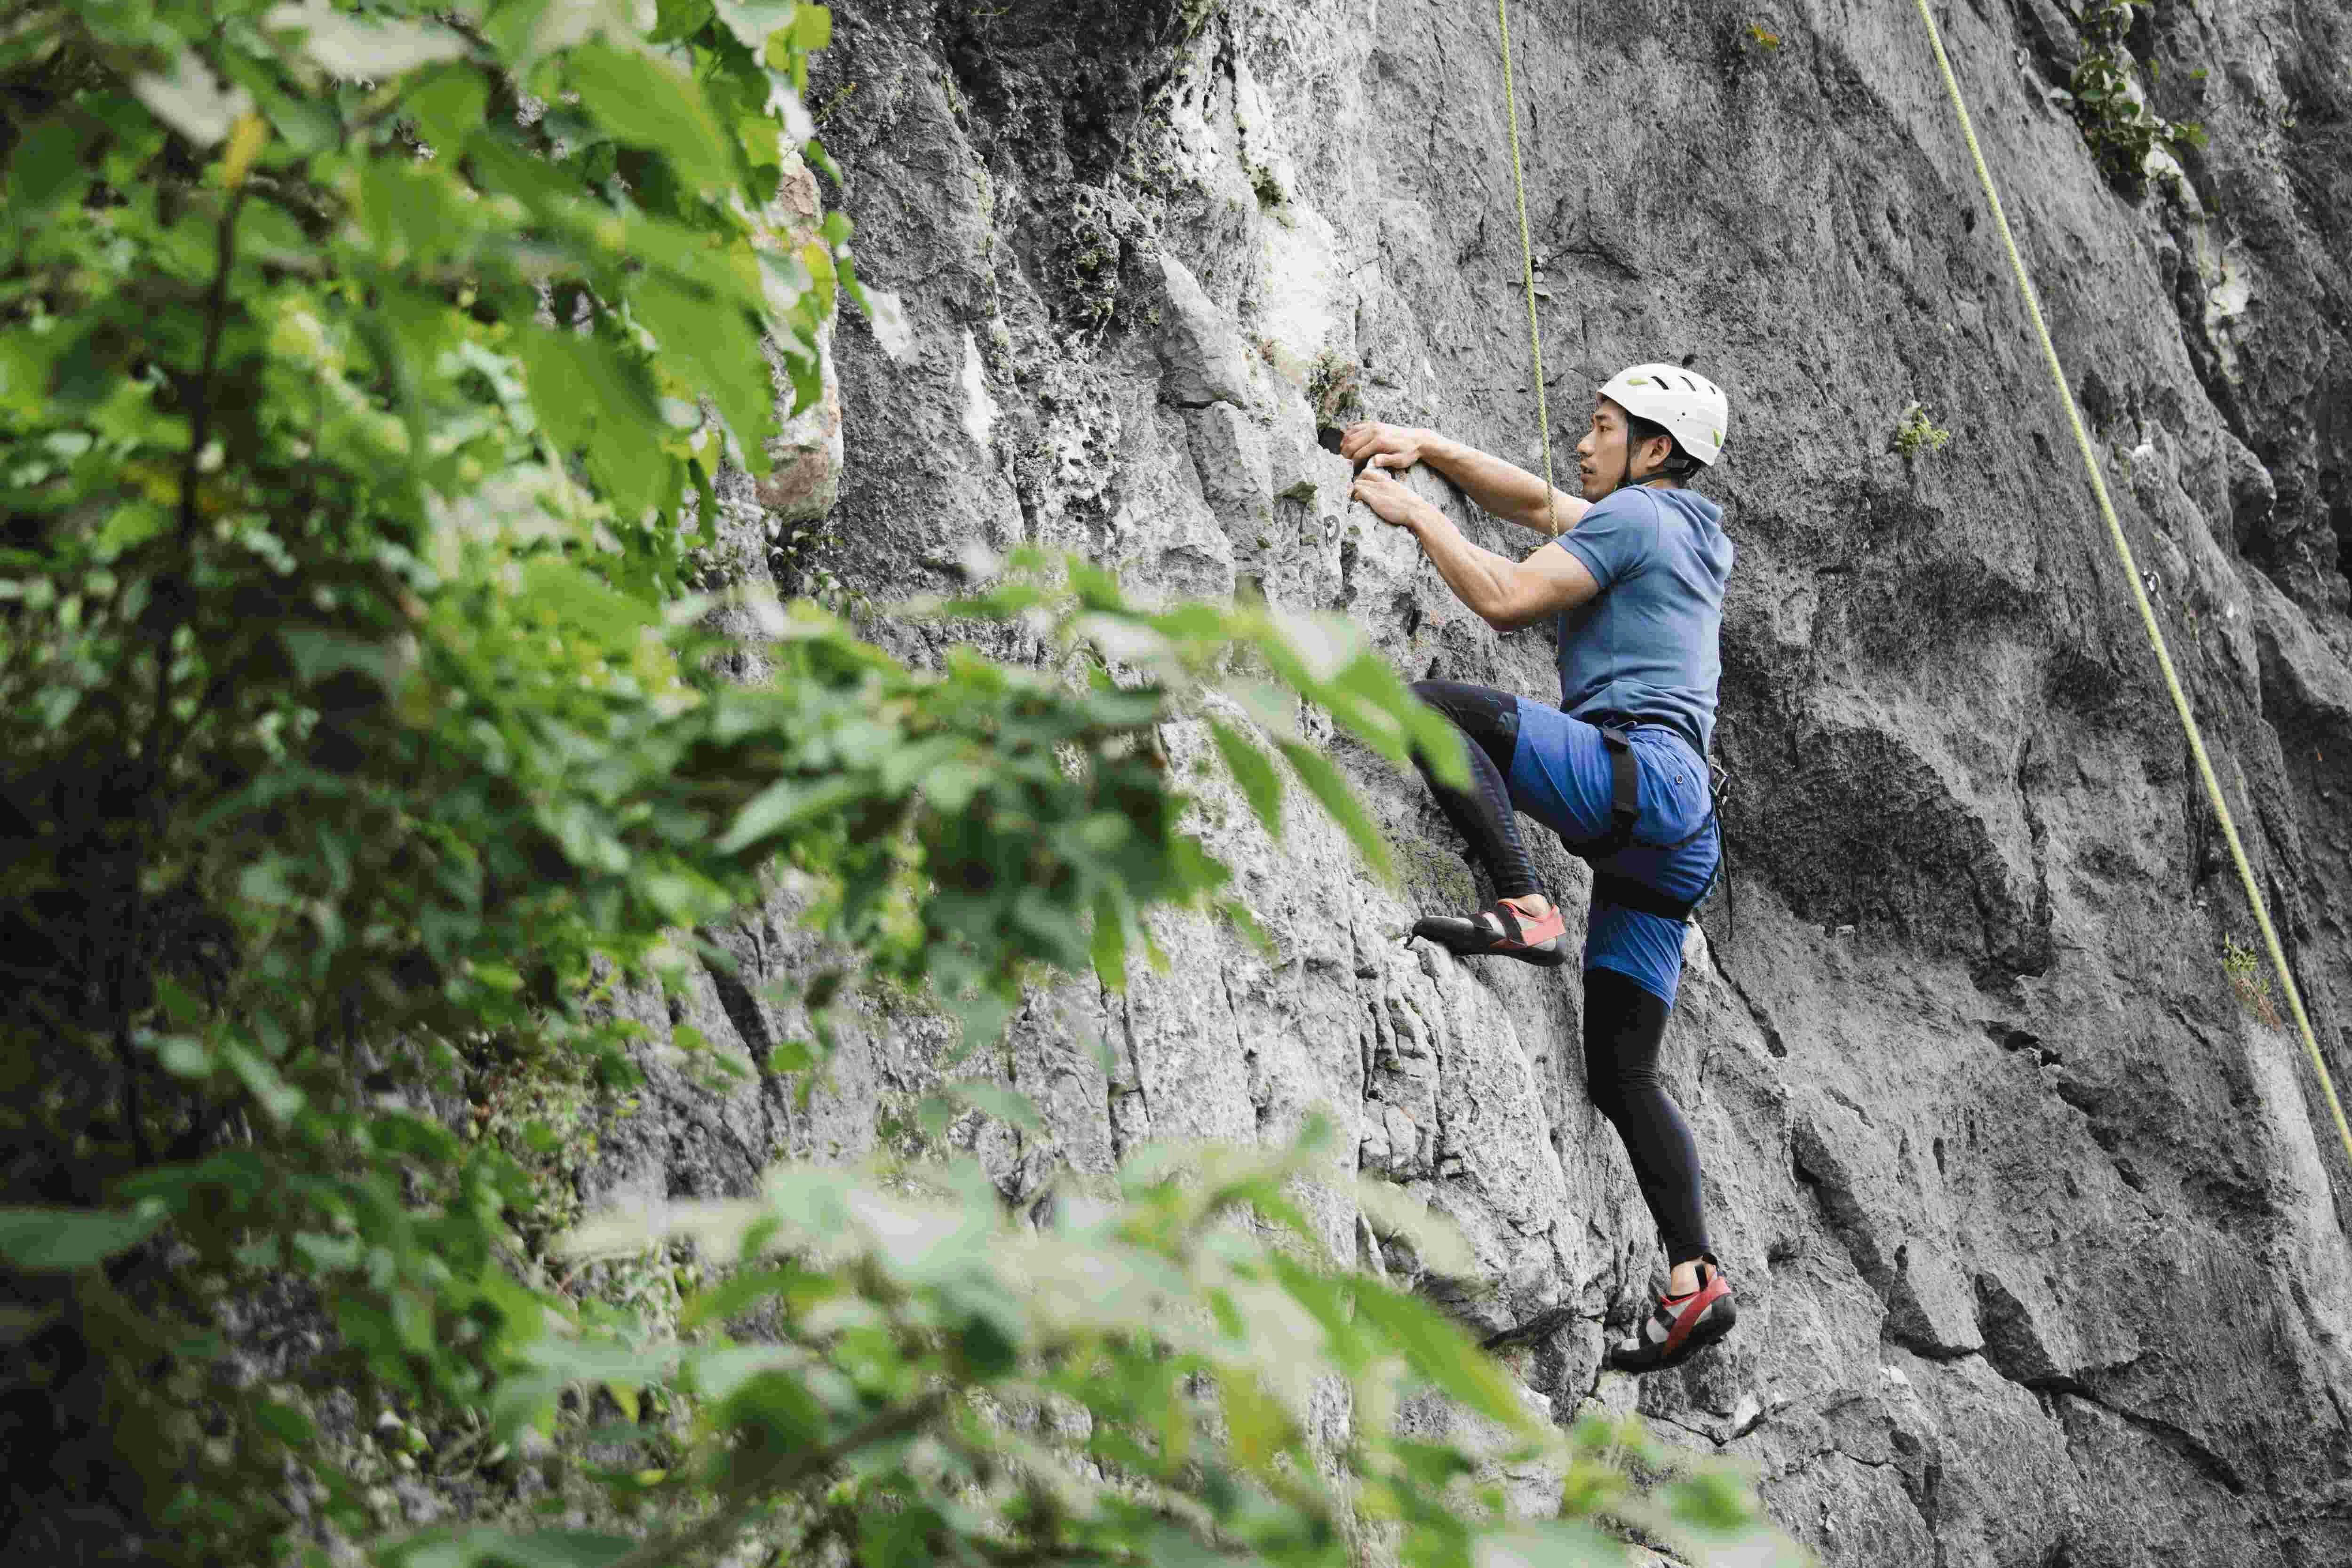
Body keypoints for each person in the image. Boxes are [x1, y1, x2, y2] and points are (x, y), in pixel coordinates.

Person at [1340, 365, 1736, 1374]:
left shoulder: (1635, 518)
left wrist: (1413, 513)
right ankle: (1694, 1275)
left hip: (1639, 775)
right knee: (1621, 1070)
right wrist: (1431, 445)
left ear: (1653, 449)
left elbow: (1508, 597)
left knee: (1432, 709)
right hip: (1679, 826)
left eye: (1602, 428)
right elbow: (1531, 502)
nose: (1582, 443)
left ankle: (1523, 900)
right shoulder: (1680, 525)